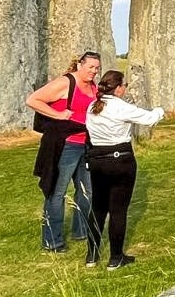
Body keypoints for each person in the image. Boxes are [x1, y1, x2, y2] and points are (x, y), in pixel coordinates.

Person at [83, 70, 164, 269]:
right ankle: (116, 257)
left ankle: (91, 256)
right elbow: (149, 118)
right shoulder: (121, 107)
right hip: (120, 160)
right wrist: (160, 110)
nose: (125, 88)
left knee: (98, 207)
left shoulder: (92, 106)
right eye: (124, 85)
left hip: (97, 159)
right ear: (118, 88)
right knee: (118, 210)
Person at [26, 52, 101, 253]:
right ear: (79, 65)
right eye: (90, 67)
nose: (94, 71)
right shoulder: (65, 83)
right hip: (64, 145)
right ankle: (52, 241)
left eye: (96, 68)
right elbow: (33, 100)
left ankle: (81, 231)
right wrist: (58, 115)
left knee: (88, 191)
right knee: (57, 193)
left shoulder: (93, 87)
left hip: (86, 144)